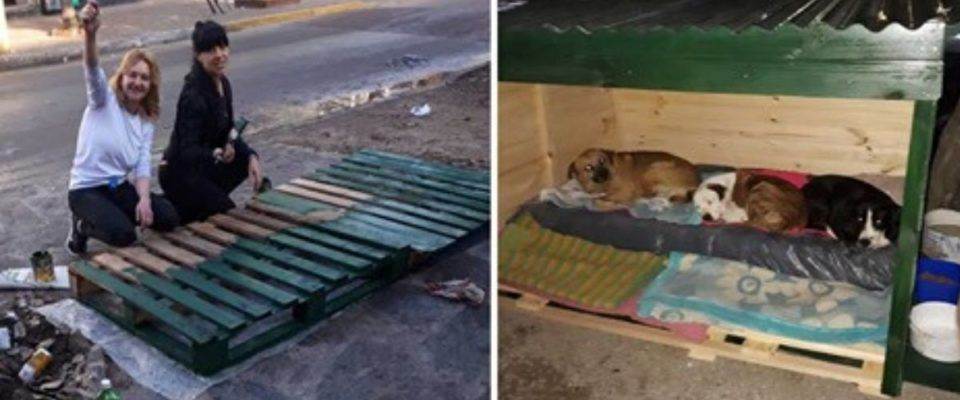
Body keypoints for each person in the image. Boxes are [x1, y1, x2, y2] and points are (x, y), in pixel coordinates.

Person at [66, 0, 180, 255]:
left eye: (144, 78)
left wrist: (144, 200)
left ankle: (122, 213)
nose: (137, 82)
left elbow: (141, 165)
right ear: (122, 76)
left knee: (169, 217)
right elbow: (92, 68)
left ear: (151, 84)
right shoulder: (102, 99)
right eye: (132, 75)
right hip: (86, 189)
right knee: (123, 234)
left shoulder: (145, 118)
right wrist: (90, 34)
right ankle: (82, 227)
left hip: (119, 188)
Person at [160, 20, 264, 224]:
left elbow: (229, 130)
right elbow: (186, 150)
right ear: (198, 55)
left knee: (244, 160)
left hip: (204, 168)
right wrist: (214, 153)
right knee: (226, 214)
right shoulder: (193, 94)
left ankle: (193, 206)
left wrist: (251, 156)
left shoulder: (223, 83)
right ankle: (176, 206)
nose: (219, 54)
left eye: (223, 47)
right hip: (181, 174)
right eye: (211, 50)